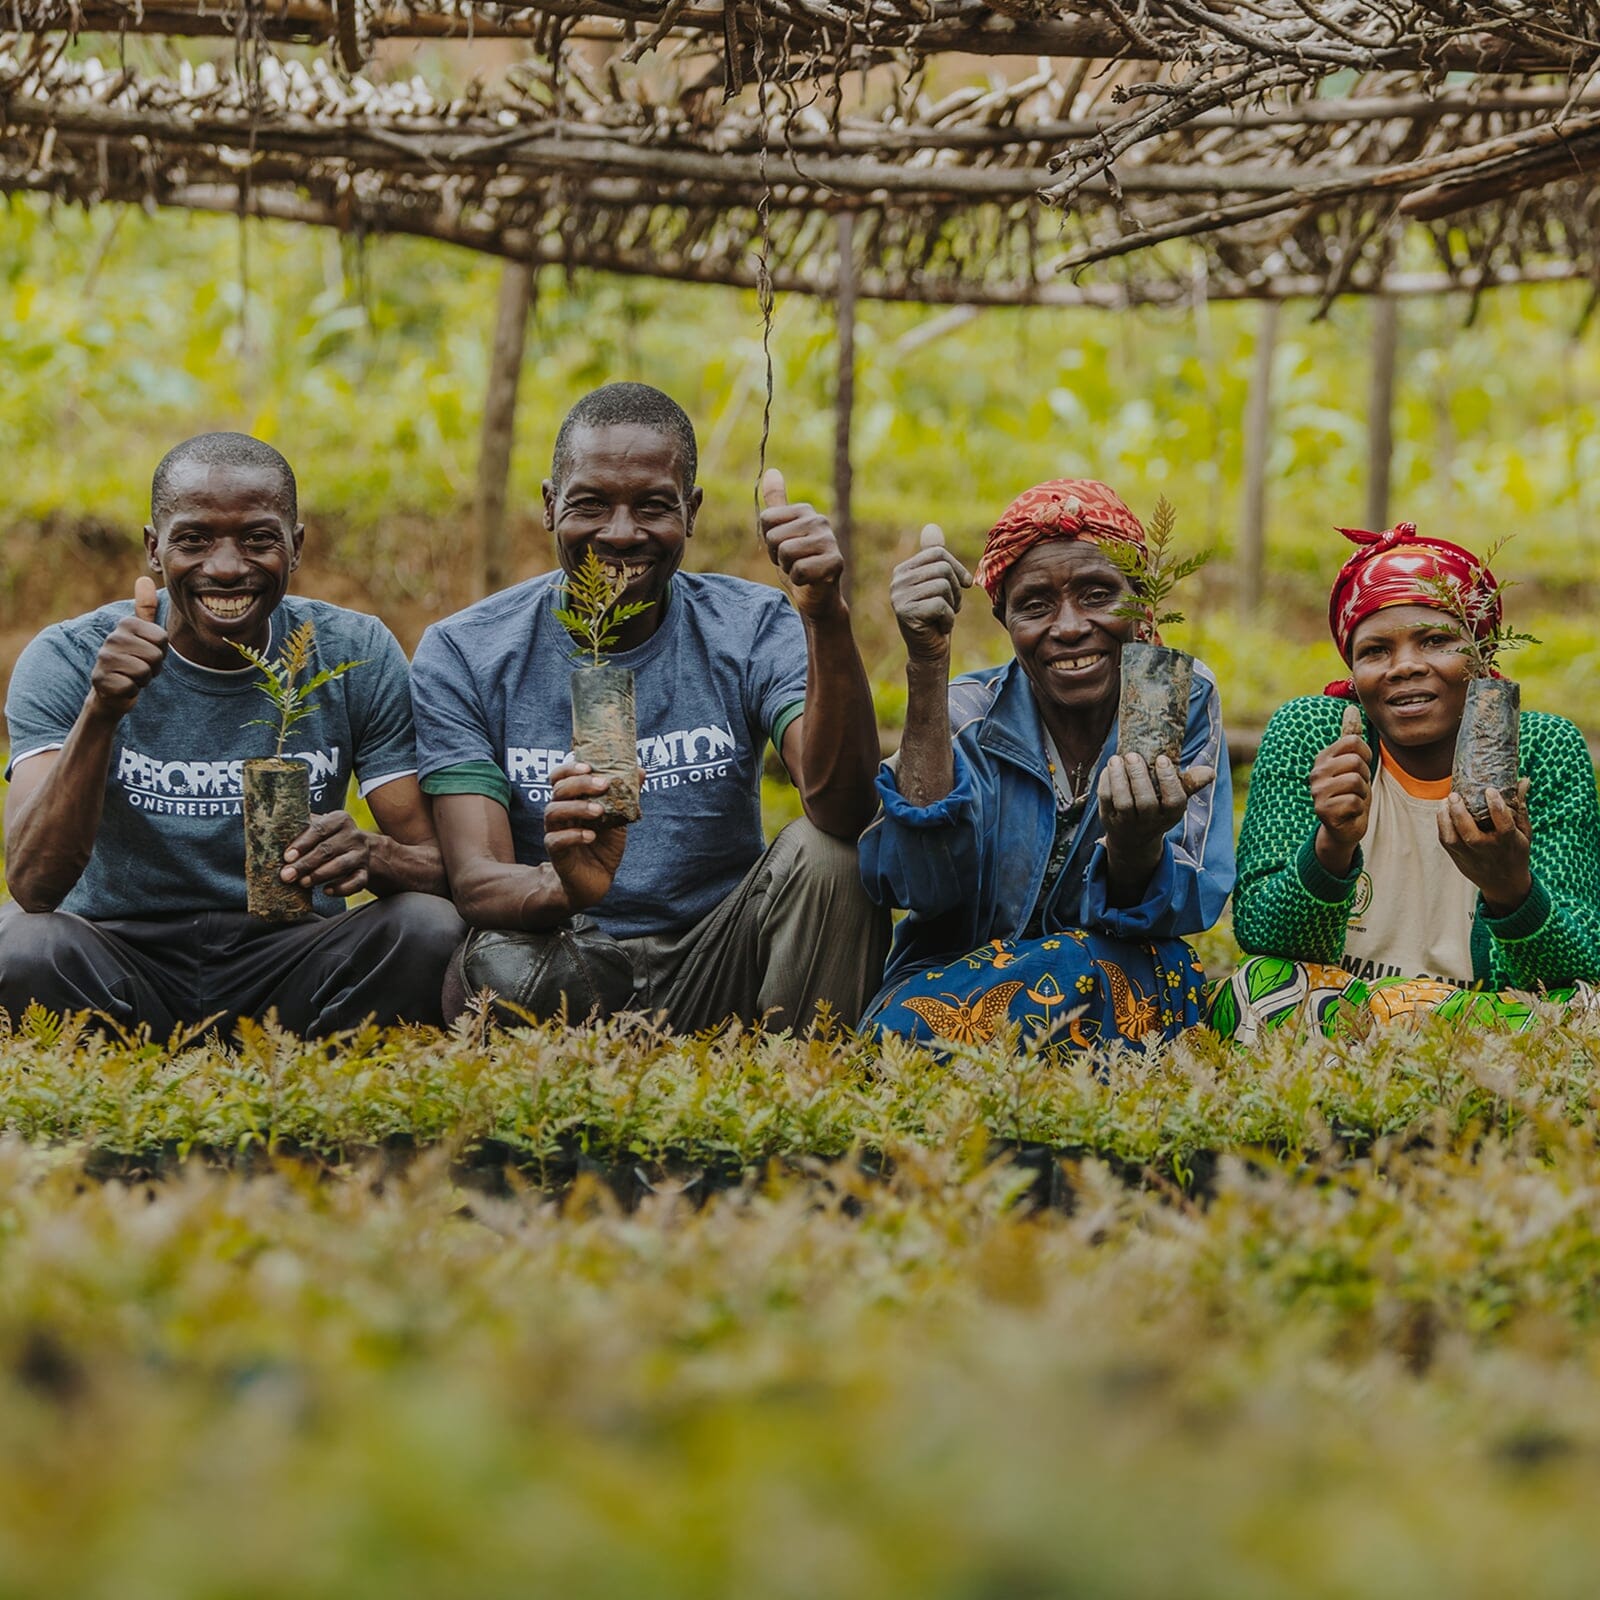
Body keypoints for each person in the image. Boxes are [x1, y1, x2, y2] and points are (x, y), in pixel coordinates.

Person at [411, 382, 889, 1031]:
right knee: (492, 962)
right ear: (550, 507)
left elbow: (844, 807)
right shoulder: (466, 652)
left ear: (691, 512)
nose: (620, 533)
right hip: (568, 959)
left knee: (833, 855)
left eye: (653, 507)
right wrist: (568, 886)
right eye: (590, 505)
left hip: (720, 957)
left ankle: (801, 1096)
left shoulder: (749, 627)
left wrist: (826, 618)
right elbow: (477, 880)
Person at [0, 433, 463, 1037]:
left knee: (427, 927)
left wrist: (374, 856)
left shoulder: (355, 651)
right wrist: (103, 710)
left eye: (258, 539)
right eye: (192, 540)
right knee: (25, 944)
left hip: (293, 954)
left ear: (295, 547)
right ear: (153, 548)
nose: (225, 568)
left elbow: (439, 870)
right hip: (118, 956)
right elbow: (34, 885)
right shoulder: (69, 657)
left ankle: (312, 1091)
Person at [859, 480, 1234, 1052]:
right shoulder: (964, 715)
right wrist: (927, 663)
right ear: (1003, 618)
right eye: (1034, 606)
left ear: (1142, 602)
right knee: (937, 1014)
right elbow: (913, 885)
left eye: (1097, 594)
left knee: (1110, 967)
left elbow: (1194, 896)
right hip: (954, 984)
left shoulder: (1171, 697)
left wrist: (1135, 852)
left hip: (1116, 975)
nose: (1068, 627)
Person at [1209, 521, 1600, 1043]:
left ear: (1483, 657)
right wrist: (1332, 846)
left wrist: (1510, 888)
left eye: (1437, 640)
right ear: (1352, 669)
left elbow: (1578, 962)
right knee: (1257, 987)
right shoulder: (1311, 732)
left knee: (1586, 1008)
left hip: (1486, 1012)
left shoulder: (1542, 748)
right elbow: (1263, 934)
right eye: (1376, 651)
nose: (1405, 667)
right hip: (1343, 1008)